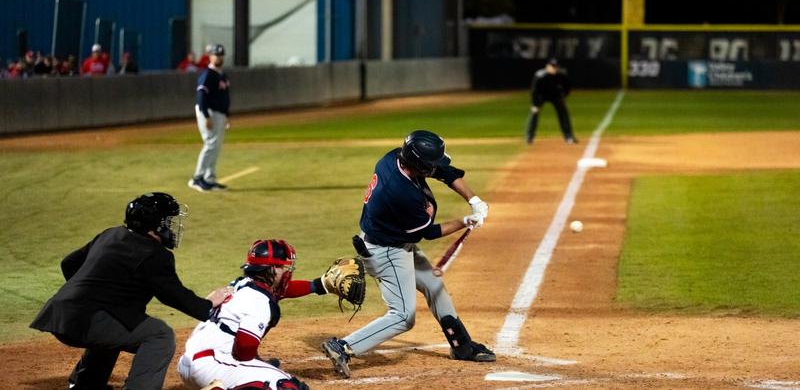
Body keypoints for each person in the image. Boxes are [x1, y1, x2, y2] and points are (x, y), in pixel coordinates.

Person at [321, 130, 495, 379]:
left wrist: (474, 199)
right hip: (387, 252)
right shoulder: (401, 194)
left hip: (394, 240)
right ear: (419, 165)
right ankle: (344, 347)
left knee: (434, 286)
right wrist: (465, 221)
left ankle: (462, 346)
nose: (436, 166)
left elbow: (445, 172)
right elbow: (430, 232)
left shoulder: (397, 158)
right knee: (403, 316)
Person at [30, 192, 232, 390]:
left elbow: (69, 263)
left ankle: (86, 384)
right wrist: (207, 304)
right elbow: (173, 295)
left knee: (121, 323)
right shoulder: (155, 254)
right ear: (156, 226)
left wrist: (95, 296)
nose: (171, 227)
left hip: (59, 314)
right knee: (159, 335)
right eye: (168, 222)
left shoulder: (111, 234)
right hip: (86, 323)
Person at [178, 239, 328, 390]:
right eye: (283, 267)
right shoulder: (259, 300)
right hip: (211, 368)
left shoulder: (241, 284)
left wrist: (317, 285)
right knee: (285, 386)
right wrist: (254, 365)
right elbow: (244, 349)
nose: (286, 271)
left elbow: (280, 291)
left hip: (190, 365)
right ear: (273, 269)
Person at [188, 43, 231, 192]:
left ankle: (209, 178)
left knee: (216, 146)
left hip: (219, 113)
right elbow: (201, 96)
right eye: (216, 54)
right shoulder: (208, 74)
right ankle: (197, 178)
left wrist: (226, 116)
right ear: (210, 57)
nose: (218, 57)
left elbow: (225, 97)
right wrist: (206, 116)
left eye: (220, 55)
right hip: (209, 112)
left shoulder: (222, 75)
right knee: (211, 144)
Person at [525, 58, 578, 145]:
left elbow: (567, 87)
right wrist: (534, 104)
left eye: (555, 67)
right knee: (534, 113)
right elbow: (534, 91)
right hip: (541, 96)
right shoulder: (540, 76)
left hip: (555, 96)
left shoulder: (561, 75)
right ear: (547, 66)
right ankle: (529, 137)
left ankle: (569, 137)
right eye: (552, 66)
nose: (554, 68)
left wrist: (563, 97)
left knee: (564, 113)